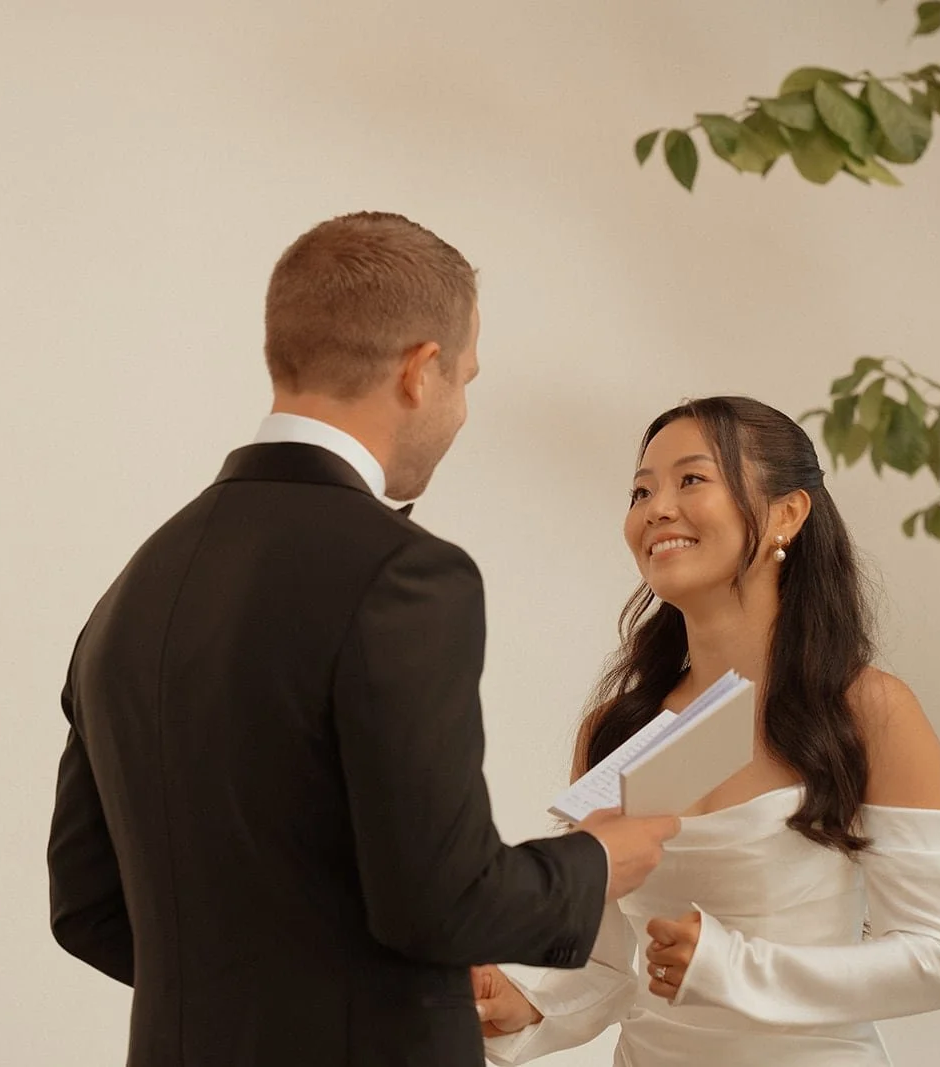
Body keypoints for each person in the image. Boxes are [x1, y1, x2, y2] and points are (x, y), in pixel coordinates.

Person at [46, 212, 680, 1067]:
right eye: (465, 379)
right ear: (420, 370)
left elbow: (87, 907)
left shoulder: (136, 586)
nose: (461, 411)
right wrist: (595, 859)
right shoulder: (405, 573)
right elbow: (442, 899)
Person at [472, 396, 940, 1066]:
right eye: (641, 490)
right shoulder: (615, 730)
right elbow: (602, 966)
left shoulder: (868, 710)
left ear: (787, 513)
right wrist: (525, 1003)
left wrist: (733, 966)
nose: (657, 508)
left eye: (691, 479)